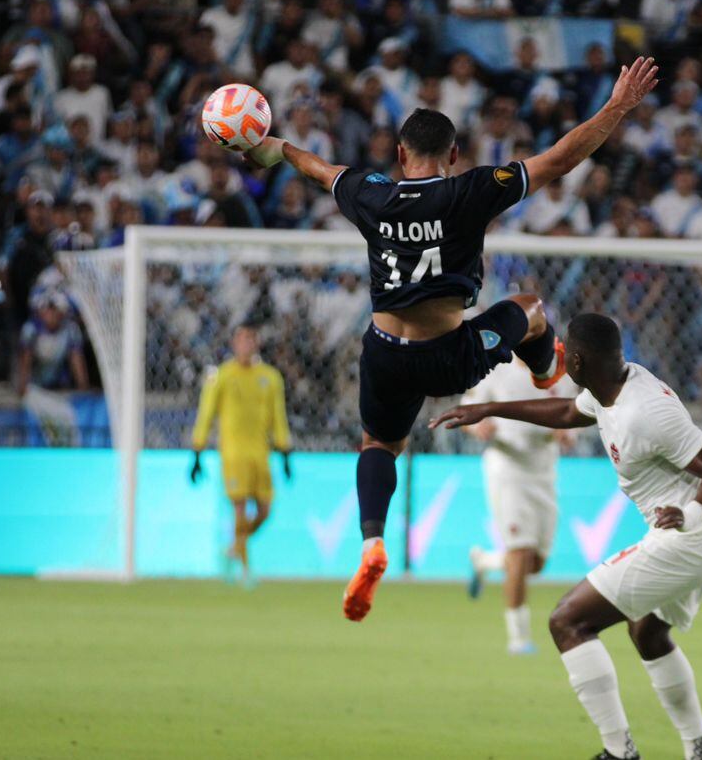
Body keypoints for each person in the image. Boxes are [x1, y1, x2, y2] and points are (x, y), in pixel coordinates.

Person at [229, 56, 660, 622]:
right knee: (530, 308)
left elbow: (316, 167)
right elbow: (560, 158)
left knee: (378, 446)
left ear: (400, 154)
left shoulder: (370, 194)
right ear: (454, 155)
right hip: (450, 356)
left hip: (385, 353)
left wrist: (272, 147)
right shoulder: (471, 191)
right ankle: (543, 371)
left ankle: (371, 543)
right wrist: (617, 107)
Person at [430, 313, 702, 760]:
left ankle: (619, 752)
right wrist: (489, 408)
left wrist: (689, 514)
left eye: (564, 350)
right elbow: (566, 412)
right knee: (648, 633)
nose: (558, 355)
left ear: (577, 360)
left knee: (568, 621)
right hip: (701, 534)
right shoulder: (608, 387)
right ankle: (700, 751)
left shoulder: (646, 412)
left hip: (691, 534)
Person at [462, 355, 575, 654]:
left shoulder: (561, 373)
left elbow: (575, 414)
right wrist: (477, 427)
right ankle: (519, 639)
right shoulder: (496, 369)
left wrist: (568, 432)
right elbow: (467, 409)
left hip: (544, 469)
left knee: (535, 563)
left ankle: (483, 562)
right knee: (520, 552)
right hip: (507, 465)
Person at [190, 323, 292, 586]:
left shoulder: (270, 377)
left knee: (265, 510)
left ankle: (235, 547)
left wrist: (285, 452)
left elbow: (278, 416)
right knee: (240, 509)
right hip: (233, 452)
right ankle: (245, 571)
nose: (246, 345)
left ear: (256, 343)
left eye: (250, 339)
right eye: (241, 340)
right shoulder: (221, 376)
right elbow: (206, 413)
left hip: (260, 453)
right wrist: (197, 452)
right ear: (234, 344)